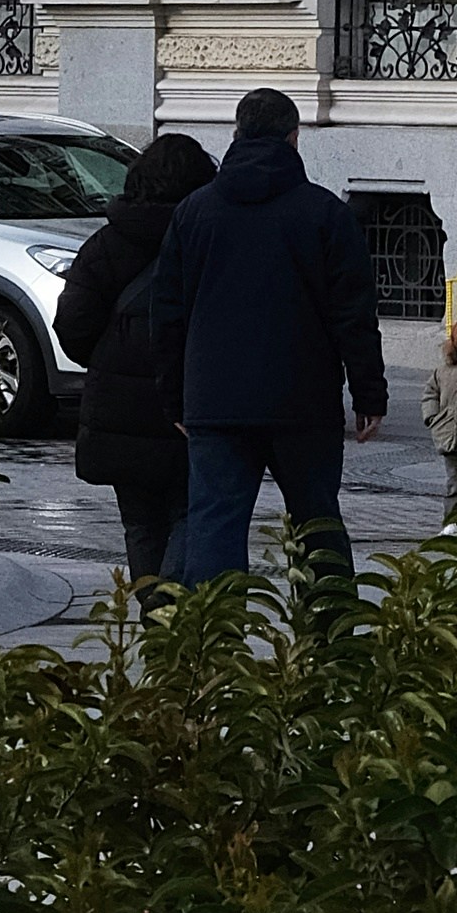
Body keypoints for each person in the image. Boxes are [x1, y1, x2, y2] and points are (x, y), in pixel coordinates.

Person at [144, 85, 391, 590]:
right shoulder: (324, 213)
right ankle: (330, 637)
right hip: (303, 398)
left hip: (214, 398)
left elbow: (167, 314)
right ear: (294, 137)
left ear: (235, 134)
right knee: (317, 522)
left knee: (215, 525)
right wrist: (369, 392)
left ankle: (211, 646)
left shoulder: (193, 212)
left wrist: (174, 397)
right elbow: (354, 313)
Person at [57, 122, 212, 582]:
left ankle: (152, 609)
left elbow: (73, 324)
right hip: (190, 400)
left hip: (120, 408)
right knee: (189, 511)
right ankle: (173, 606)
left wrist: (112, 359)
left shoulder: (106, 244)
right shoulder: (206, 242)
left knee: (140, 521)